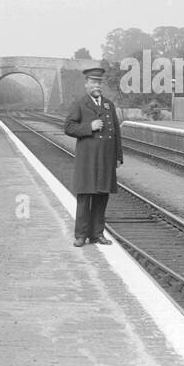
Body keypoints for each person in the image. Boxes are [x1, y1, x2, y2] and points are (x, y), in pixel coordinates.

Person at [64, 67, 123, 247]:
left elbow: (117, 132)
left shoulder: (108, 105)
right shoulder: (80, 104)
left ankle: (97, 234)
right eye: (93, 82)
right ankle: (81, 235)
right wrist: (89, 127)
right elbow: (68, 127)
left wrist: (118, 156)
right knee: (85, 198)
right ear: (86, 84)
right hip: (88, 160)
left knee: (101, 197)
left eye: (99, 82)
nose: (97, 85)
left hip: (105, 160)